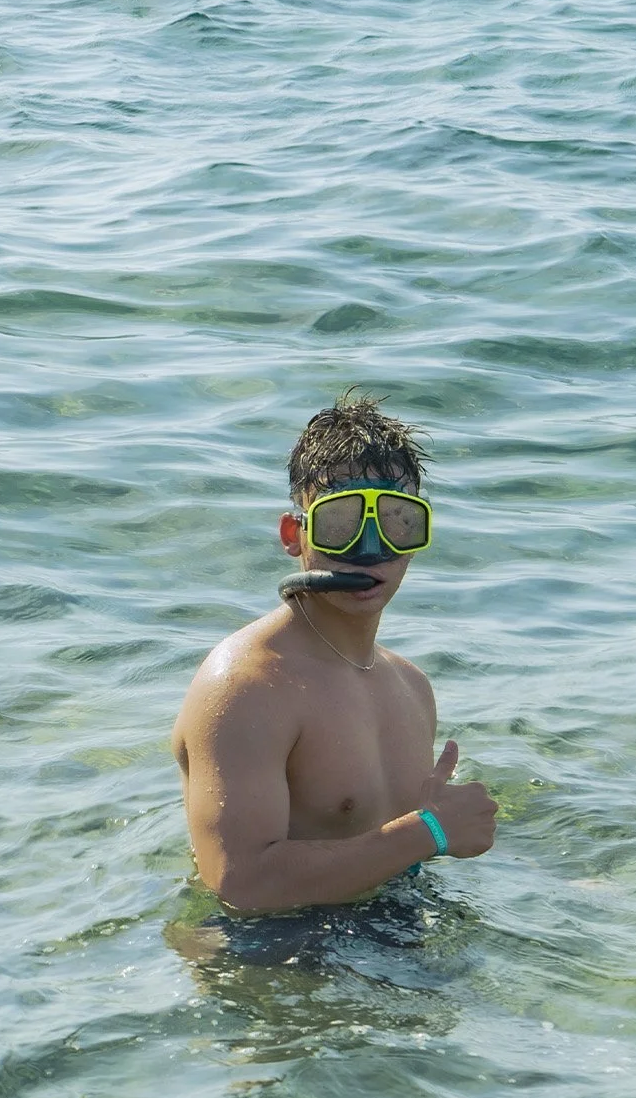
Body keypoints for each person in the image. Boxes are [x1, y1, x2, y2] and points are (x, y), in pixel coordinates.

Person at [171, 392, 497, 915]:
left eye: (396, 522)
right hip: (269, 950)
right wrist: (430, 832)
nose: (370, 549)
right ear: (293, 534)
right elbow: (241, 885)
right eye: (340, 523)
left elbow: (399, 850)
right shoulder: (246, 686)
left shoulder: (411, 685)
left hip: (394, 929)